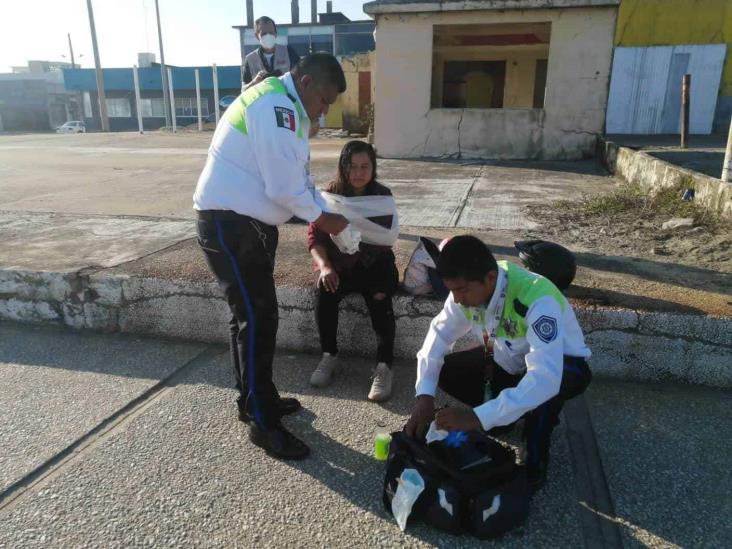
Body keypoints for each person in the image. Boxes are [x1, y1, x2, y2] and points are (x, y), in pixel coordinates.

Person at [193, 53, 348, 461]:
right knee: (258, 318)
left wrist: (324, 207)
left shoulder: (284, 104)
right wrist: (323, 219)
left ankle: (254, 400)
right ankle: (263, 423)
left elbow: (297, 180)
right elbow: (285, 189)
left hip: (241, 225)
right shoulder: (277, 108)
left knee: (247, 318)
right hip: (231, 226)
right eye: (325, 100)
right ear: (309, 81)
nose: (325, 110)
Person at [404, 235, 592, 491]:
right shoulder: (467, 286)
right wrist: (424, 396)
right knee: (446, 371)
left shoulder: (537, 298)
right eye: (452, 290)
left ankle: (535, 455)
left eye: (460, 290)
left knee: (545, 394)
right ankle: (505, 416)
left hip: (561, 364)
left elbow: (545, 377)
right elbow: (438, 336)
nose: (456, 299)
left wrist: (476, 417)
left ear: (490, 278)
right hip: (510, 359)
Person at [307, 141, 399, 401]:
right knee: (324, 291)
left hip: (375, 265)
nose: (358, 172)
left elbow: (387, 238)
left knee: (381, 297)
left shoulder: (382, 197)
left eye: (364, 166)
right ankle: (329, 356)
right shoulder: (330, 196)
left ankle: (384, 367)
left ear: (373, 168)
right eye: (352, 166)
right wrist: (325, 267)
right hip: (341, 266)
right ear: (343, 168)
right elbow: (315, 238)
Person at [242, 16, 300, 91]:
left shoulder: (289, 52)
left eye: (271, 33)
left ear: (276, 34)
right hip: (263, 101)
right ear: (257, 36)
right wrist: (254, 82)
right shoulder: (250, 59)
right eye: (264, 33)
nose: (268, 36)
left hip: (285, 100)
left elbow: (301, 78)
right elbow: (243, 91)